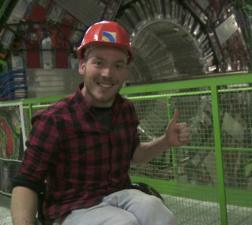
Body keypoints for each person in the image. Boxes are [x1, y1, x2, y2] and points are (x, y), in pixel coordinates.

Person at [10, 20, 190, 225]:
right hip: (73, 207)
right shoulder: (54, 120)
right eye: (99, 62)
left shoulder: (125, 111)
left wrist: (166, 141)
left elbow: (135, 154)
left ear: (125, 72)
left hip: (119, 195)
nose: (107, 73)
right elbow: (27, 182)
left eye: (118, 65)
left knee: (158, 212)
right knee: (122, 223)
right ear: (82, 66)